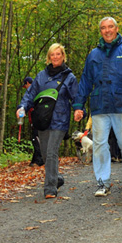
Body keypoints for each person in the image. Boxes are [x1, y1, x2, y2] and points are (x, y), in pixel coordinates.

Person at [73, 16, 122, 197]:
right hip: (100, 105)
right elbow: (85, 81)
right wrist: (78, 105)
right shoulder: (93, 55)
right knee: (99, 145)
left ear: (116, 28)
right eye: (104, 28)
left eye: (110, 27)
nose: (107, 30)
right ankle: (102, 182)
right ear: (101, 31)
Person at [17, 43, 78, 199]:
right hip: (42, 120)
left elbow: (76, 97)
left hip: (60, 120)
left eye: (58, 54)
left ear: (63, 56)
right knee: (45, 155)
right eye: (52, 54)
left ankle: (50, 188)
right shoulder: (41, 76)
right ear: (48, 57)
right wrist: (22, 107)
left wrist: (79, 109)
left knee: (51, 152)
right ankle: (56, 179)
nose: (55, 57)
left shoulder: (69, 78)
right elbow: (30, 95)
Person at [22, 76, 44, 167]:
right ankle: (34, 160)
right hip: (40, 120)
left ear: (27, 83)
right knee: (36, 139)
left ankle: (40, 160)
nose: (25, 88)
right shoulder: (39, 89)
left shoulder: (33, 91)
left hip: (37, 120)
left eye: (25, 85)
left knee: (36, 140)